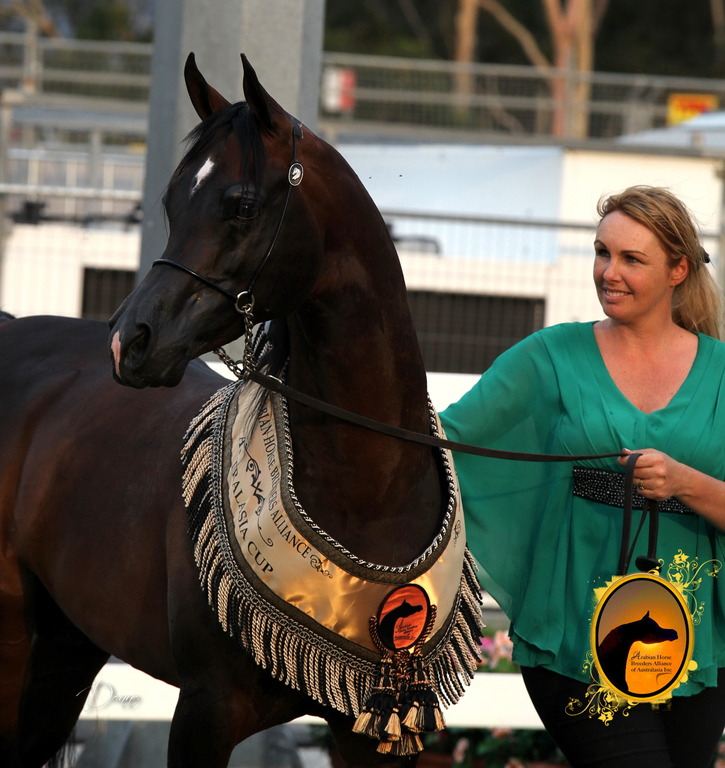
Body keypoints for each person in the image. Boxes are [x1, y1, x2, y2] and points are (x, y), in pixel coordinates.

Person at [439, 186, 725, 768]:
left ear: (678, 270)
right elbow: (443, 444)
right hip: (575, 633)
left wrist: (681, 482)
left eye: (630, 259)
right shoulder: (550, 355)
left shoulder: (722, 373)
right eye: (602, 253)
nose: (607, 272)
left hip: (697, 643)